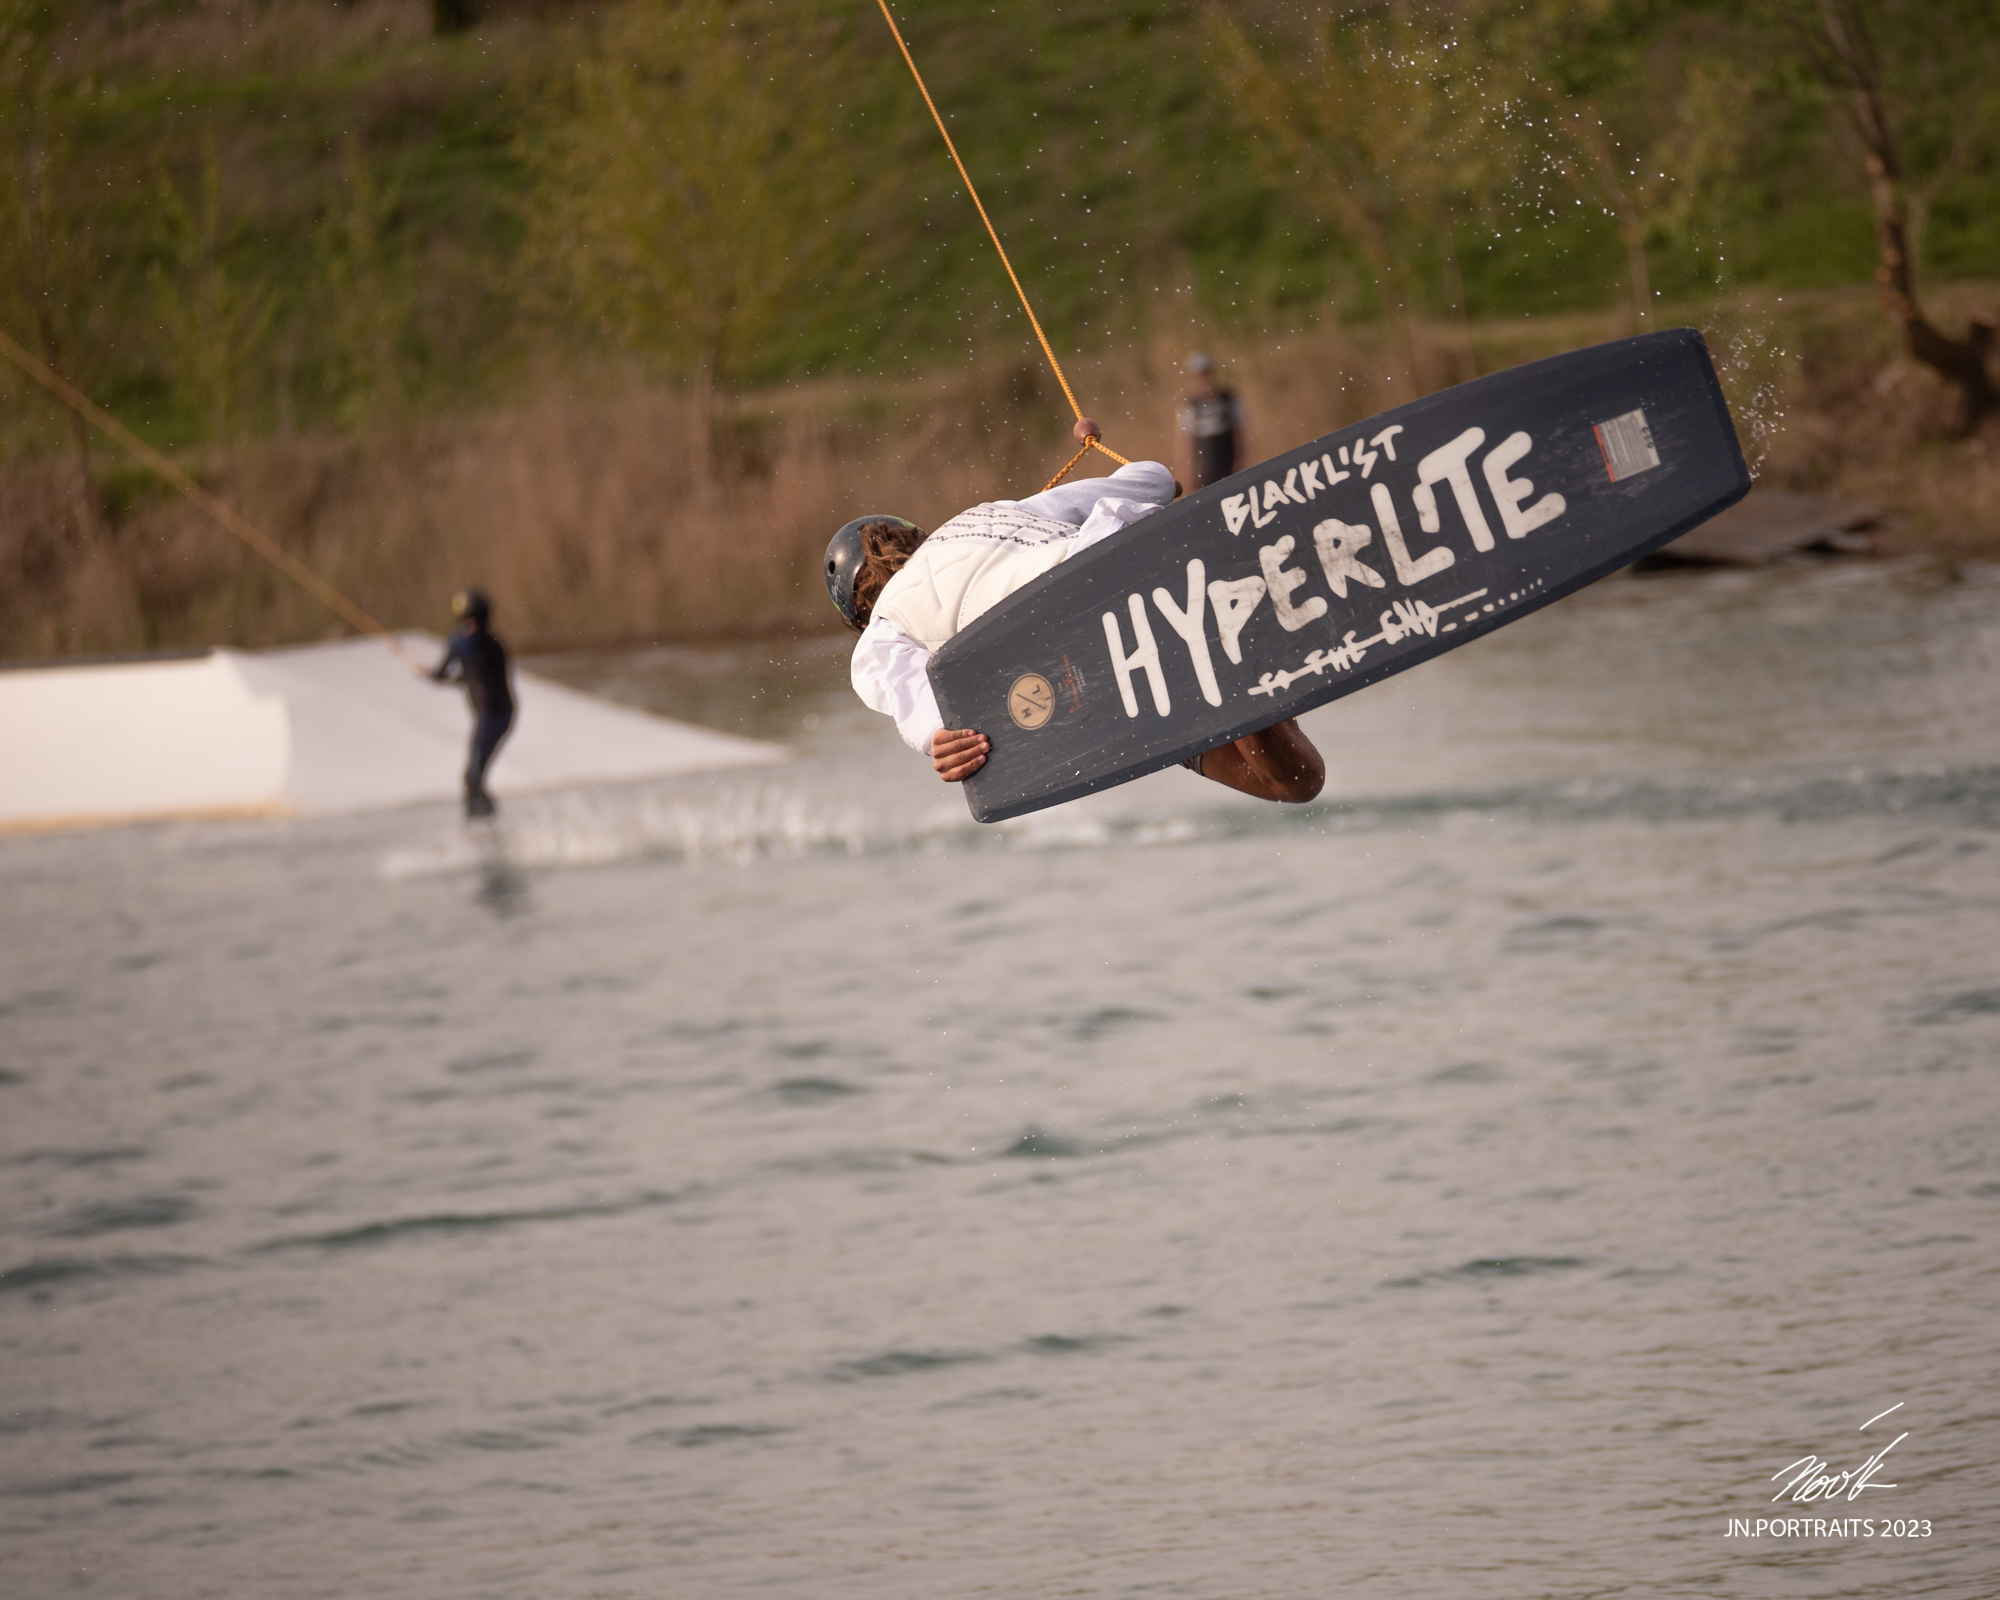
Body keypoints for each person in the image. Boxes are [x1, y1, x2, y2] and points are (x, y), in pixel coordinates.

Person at [828, 419, 1323, 802]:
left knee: (1298, 783)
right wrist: (1144, 473)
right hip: (1135, 562)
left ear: (859, 611)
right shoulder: (985, 514)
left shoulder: (883, 630)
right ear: (914, 535)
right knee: (1289, 763)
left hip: (1095, 653)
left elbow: (915, 698)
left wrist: (939, 739)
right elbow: (1152, 481)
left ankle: (1230, 683)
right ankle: (1233, 667)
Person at [428, 587, 514, 819]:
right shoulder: (495, 644)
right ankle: (485, 820)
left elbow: (442, 672)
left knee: (472, 777)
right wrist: (450, 678)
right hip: (502, 714)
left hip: (492, 717)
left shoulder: (460, 642)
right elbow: (475, 675)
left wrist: (432, 675)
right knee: (473, 776)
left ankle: (481, 825)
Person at [1176, 352, 1246, 490]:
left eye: (1205, 374)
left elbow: (1240, 431)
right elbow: (1185, 440)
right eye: (1198, 376)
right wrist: (1187, 470)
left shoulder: (1228, 399)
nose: (1203, 380)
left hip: (1229, 463)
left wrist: (1242, 460)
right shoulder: (1190, 406)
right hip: (1205, 468)